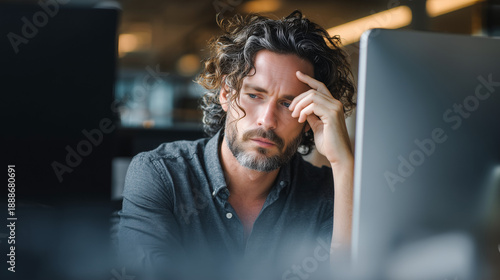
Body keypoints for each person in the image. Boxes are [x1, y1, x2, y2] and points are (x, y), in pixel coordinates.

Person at [117, 10, 356, 280]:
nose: (267, 121)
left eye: (289, 104)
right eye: (255, 95)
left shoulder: (329, 191)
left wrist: (343, 164)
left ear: (310, 116)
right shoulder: (161, 175)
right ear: (226, 94)